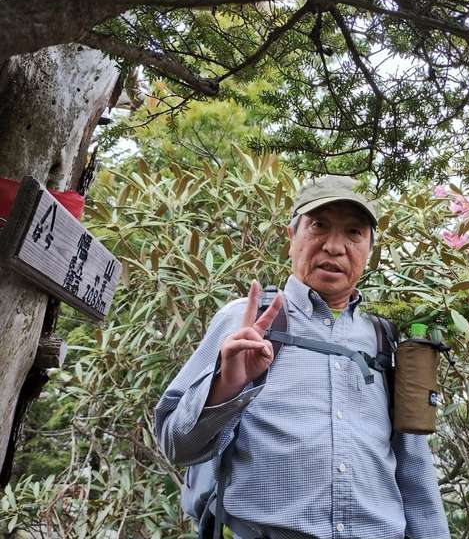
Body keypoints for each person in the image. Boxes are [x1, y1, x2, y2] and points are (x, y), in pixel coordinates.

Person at [154, 176, 450, 539]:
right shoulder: (245, 322)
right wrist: (226, 386)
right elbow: (176, 445)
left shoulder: (383, 338)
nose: (334, 246)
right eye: (319, 226)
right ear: (291, 237)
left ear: (369, 249)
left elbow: (415, 472)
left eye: (353, 232)